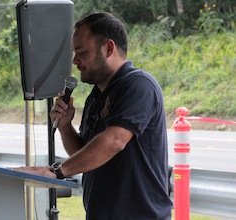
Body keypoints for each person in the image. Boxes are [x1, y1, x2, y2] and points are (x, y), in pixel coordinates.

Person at [12, 12, 173, 219]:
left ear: (108, 48)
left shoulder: (138, 85)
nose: (75, 61)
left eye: (81, 52)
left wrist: (57, 172)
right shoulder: (96, 96)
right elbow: (83, 152)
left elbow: (115, 140)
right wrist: (65, 126)